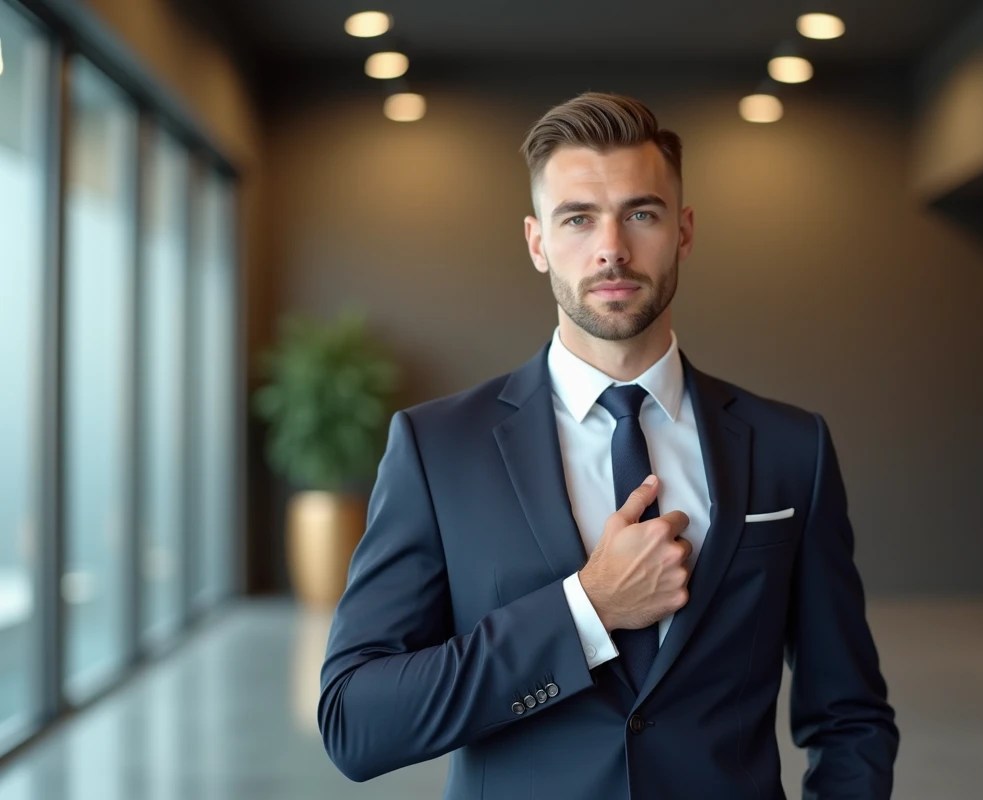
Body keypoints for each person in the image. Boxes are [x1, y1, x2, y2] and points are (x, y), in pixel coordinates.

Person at [318, 91, 898, 799]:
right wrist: (586, 609)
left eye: (641, 214)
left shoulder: (790, 448)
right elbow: (356, 720)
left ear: (684, 231)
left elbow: (851, 717)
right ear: (537, 242)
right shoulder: (439, 450)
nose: (612, 249)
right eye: (578, 218)